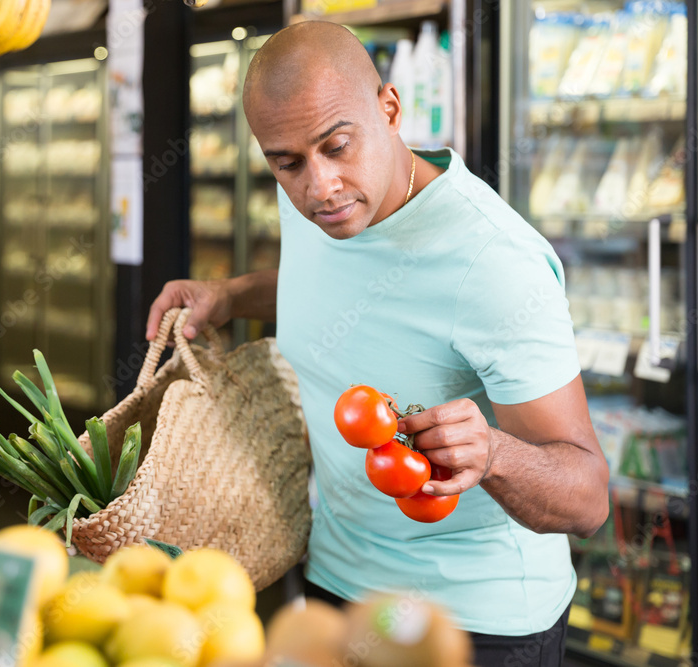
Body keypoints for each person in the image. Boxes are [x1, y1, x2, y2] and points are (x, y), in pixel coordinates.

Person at [147, 22, 609, 667]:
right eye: (287, 163)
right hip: (337, 581)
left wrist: (495, 453)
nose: (320, 186)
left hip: (473, 625)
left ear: (390, 110)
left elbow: (588, 498)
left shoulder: (494, 264)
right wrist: (230, 295)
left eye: (337, 146)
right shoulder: (321, 203)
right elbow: (336, 290)